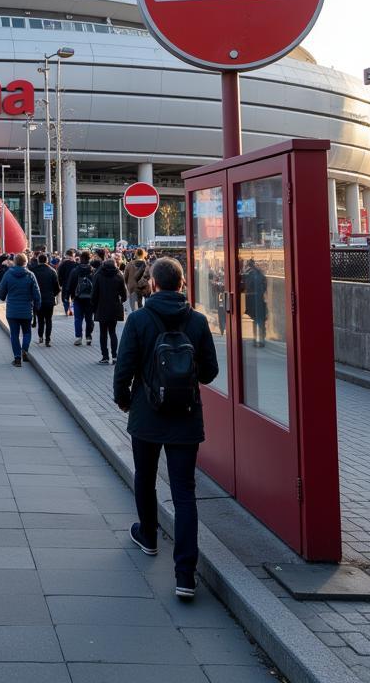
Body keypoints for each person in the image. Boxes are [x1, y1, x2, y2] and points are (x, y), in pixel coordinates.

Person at [113, 257, 219, 601]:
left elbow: (124, 366)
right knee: (184, 492)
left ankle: (148, 536)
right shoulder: (199, 321)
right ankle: (185, 575)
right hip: (186, 416)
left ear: (153, 285)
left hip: (146, 415)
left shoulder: (139, 319)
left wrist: (125, 399)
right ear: (183, 284)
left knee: (145, 477)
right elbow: (209, 373)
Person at [0, 253, 41, 366]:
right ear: (25, 262)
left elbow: (1, 293)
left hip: (12, 310)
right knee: (27, 332)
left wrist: (3, 297)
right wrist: (37, 306)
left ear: (15, 262)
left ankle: (17, 359)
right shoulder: (30, 275)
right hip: (26, 309)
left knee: (14, 334)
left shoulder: (8, 274)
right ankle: (25, 350)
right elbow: (37, 293)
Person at [92, 258, 128, 364]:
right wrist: (121, 301)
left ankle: (105, 357)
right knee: (113, 332)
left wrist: (94, 305)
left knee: (103, 333)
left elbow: (94, 293)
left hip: (102, 307)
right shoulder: (119, 276)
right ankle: (115, 356)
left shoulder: (98, 275)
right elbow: (124, 295)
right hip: (114, 308)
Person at [29, 252, 60, 346]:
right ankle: (48, 340)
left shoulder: (33, 271)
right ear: (47, 261)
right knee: (49, 320)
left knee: (40, 319)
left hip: (37, 300)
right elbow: (57, 288)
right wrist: (52, 295)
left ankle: (40, 337)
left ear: (38, 261)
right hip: (49, 300)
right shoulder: (52, 271)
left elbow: (30, 286)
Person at [68, 252, 96, 345]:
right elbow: (96, 285)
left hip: (78, 298)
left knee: (78, 318)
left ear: (81, 258)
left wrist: (69, 296)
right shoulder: (93, 271)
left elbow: (71, 284)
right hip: (90, 299)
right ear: (89, 259)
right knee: (89, 318)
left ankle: (79, 337)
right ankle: (88, 336)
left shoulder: (75, 270)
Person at [242, 259, 268, 346]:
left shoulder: (249, 274)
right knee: (260, 320)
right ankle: (261, 339)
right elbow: (264, 286)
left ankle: (257, 340)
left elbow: (247, 287)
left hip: (253, 300)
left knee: (256, 320)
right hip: (260, 299)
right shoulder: (260, 274)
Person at [57, 249, 78, 315]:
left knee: (65, 297)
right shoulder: (76, 264)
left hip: (65, 283)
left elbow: (59, 274)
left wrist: (60, 284)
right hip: (75, 284)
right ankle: (72, 310)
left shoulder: (63, 264)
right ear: (73, 255)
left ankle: (67, 311)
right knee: (74, 297)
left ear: (66, 255)